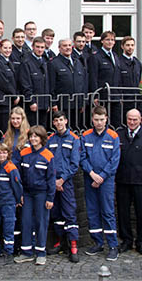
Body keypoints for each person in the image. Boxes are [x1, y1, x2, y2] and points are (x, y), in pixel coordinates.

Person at [115, 109, 142, 256]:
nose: (132, 122)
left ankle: (141, 242)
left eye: (135, 120)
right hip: (123, 180)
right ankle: (126, 240)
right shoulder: (119, 134)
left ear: (140, 120)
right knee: (123, 212)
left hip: (141, 181)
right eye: (129, 119)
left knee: (141, 213)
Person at [81, 106, 121, 261]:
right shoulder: (85, 136)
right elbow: (82, 157)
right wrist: (92, 174)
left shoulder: (113, 136)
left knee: (108, 212)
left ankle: (112, 245)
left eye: (101, 120)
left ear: (106, 119)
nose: (99, 122)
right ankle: (97, 242)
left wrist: (101, 177)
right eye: (96, 119)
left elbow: (114, 161)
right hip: (90, 179)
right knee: (92, 211)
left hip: (106, 181)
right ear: (92, 119)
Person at [13, 125, 55, 265]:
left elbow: (51, 179)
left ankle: (41, 252)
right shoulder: (24, 153)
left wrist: (50, 198)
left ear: (42, 138)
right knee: (25, 221)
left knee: (41, 222)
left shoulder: (48, 155)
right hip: (27, 193)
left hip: (42, 194)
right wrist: (20, 194)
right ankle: (26, 252)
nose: (33, 139)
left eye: (36, 136)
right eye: (31, 136)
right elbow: (18, 175)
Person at [46, 111, 81, 263]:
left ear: (66, 121)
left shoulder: (74, 139)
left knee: (69, 213)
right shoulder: (50, 139)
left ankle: (73, 246)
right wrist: (54, 181)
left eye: (61, 120)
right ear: (53, 123)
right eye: (56, 120)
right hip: (53, 183)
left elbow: (75, 164)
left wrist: (62, 180)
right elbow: (47, 161)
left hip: (66, 183)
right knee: (56, 214)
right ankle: (61, 241)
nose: (59, 123)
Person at [1, 106, 30, 252]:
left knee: (23, 213)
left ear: (23, 119)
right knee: (11, 215)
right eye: (13, 118)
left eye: (18, 118)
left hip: (23, 178)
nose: (15, 121)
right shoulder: (8, 135)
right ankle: (12, 245)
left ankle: (21, 244)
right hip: (9, 178)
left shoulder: (28, 135)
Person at [49, 38, 87, 130]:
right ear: (59, 48)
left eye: (69, 45)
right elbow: (51, 85)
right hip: (62, 104)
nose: (67, 48)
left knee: (76, 129)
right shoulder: (54, 63)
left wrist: (83, 102)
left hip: (77, 104)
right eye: (65, 46)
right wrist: (54, 103)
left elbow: (83, 82)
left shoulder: (77, 62)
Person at [88, 31, 120, 126]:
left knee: (116, 122)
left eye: (112, 40)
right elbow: (93, 77)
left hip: (115, 96)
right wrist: (96, 95)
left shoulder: (115, 56)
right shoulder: (96, 57)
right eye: (107, 40)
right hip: (103, 96)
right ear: (102, 41)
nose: (110, 42)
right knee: (102, 123)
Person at [19, 37, 50, 128]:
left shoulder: (45, 62)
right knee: (33, 129)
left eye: (42, 47)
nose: (40, 50)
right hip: (33, 104)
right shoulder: (26, 62)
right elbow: (25, 84)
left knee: (42, 129)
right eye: (38, 47)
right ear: (33, 47)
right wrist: (31, 101)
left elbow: (47, 83)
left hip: (43, 103)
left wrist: (47, 102)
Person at [0, 38, 19, 133]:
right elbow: (3, 81)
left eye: (10, 48)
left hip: (9, 100)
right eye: (5, 48)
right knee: (3, 127)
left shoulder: (9, 62)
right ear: (0, 48)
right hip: (2, 100)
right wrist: (14, 95)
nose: (8, 50)